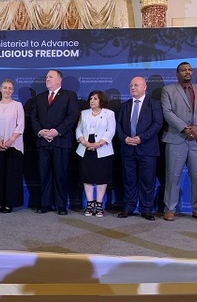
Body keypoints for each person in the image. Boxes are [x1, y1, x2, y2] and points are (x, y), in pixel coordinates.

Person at [161, 62, 197, 222]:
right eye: (184, 70)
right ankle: (169, 209)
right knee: (173, 176)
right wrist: (185, 128)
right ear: (177, 74)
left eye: (190, 70)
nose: (187, 72)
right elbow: (167, 112)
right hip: (177, 138)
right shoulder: (168, 90)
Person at [30, 69, 80, 215]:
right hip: (43, 142)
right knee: (44, 174)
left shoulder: (70, 95)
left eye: (50, 77)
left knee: (61, 174)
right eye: (46, 77)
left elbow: (72, 116)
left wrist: (56, 131)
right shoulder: (40, 97)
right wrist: (41, 132)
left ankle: (61, 205)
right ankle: (45, 204)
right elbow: (34, 118)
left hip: (61, 141)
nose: (47, 79)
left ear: (59, 80)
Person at [115, 76, 163, 221]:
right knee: (128, 180)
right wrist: (124, 138)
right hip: (127, 149)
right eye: (131, 85)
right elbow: (118, 125)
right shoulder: (125, 105)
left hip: (147, 149)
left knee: (147, 181)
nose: (133, 88)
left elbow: (157, 124)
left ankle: (146, 209)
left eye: (136, 85)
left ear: (144, 87)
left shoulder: (154, 104)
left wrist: (141, 138)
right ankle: (128, 208)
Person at [0, 79, 25, 213]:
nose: (7, 90)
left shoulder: (17, 105)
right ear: (1, 89)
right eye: (5, 87)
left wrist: (9, 141)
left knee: (11, 175)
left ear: (13, 91)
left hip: (13, 146)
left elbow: (20, 125)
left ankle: (9, 204)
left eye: (10, 88)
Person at [75, 90, 115, 218]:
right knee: (87, 177)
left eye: (95, 99)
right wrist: (84, 142)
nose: (92, 101)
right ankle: (89, 204)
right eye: (91, 98)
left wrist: (99, 144)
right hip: (85, 147)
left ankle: (99, 205)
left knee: (101, 177)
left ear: (101, 100)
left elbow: (111, 130)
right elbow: (78, 129)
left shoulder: (109, 113)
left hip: (102, 149)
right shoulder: (84, 113)